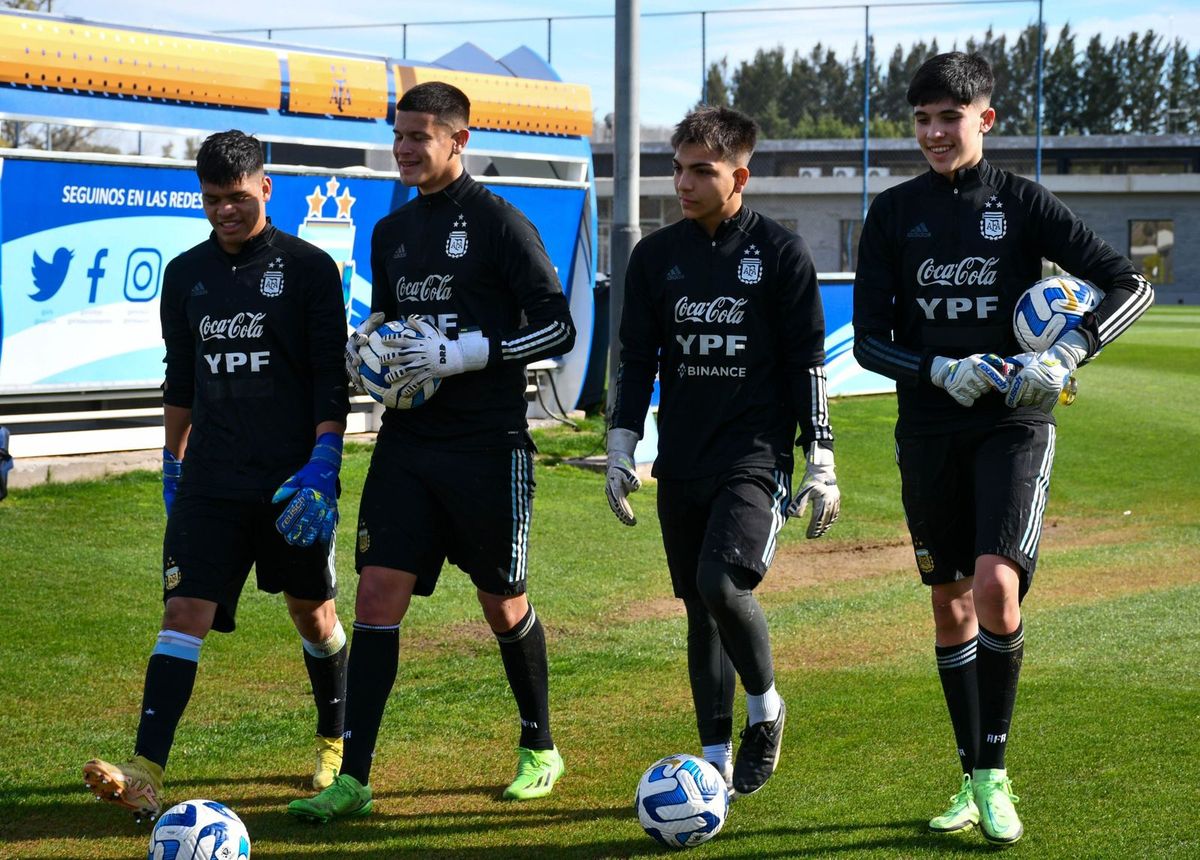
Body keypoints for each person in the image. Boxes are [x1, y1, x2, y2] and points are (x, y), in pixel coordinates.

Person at [853, 52, 1154, 844]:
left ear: (983, 119)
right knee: (949, 603)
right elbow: (869, 343)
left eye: (948, 118)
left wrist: (1065, 355)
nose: (933, 133)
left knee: (995, 587)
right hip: (927, 426)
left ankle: (996, 776)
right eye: (921, 119)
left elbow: (1131, 285)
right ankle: (969, 776)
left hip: (1013, 425)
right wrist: (937, 367)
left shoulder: (1023, 204)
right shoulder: (892, 214)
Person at [288, 81, 575, 823]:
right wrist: (371, 350)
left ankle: (540, 745)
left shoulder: (503, 224)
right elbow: (392, 319)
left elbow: (558, 329)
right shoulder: (391, 231)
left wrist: (468, 352)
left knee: (500, 600)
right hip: (409, 444)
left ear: (459, 139)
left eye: (422, 135)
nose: (407, 149)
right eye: (400, 136)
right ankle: (354, 777)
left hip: (488, 445)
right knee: (376, 594)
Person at [84, 130, 352, 821]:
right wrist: (170, 460)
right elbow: (182, 376)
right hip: (210, 480)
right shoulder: (186, 274)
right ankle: (145, 770)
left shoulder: (311, 269)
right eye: (211, 200)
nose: (224, 211)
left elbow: (330, 378)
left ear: (266, 187)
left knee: (312, 612)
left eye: (236, 197)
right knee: (182, 613)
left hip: (293, 482)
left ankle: (334, 738)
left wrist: (325, 463)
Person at [605, 105, 839, 799]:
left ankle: (766, 711)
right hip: (681, 458)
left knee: (721, 583)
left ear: (740, 174)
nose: (683, 182)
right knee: (697, 609)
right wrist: (622, 444)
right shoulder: (655, 256)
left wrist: (819, 458)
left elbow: (808, 364)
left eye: (700, 171)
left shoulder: (780, 253)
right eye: (676, 168)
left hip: (755, 456)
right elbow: (635, 358)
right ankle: (712, 759)